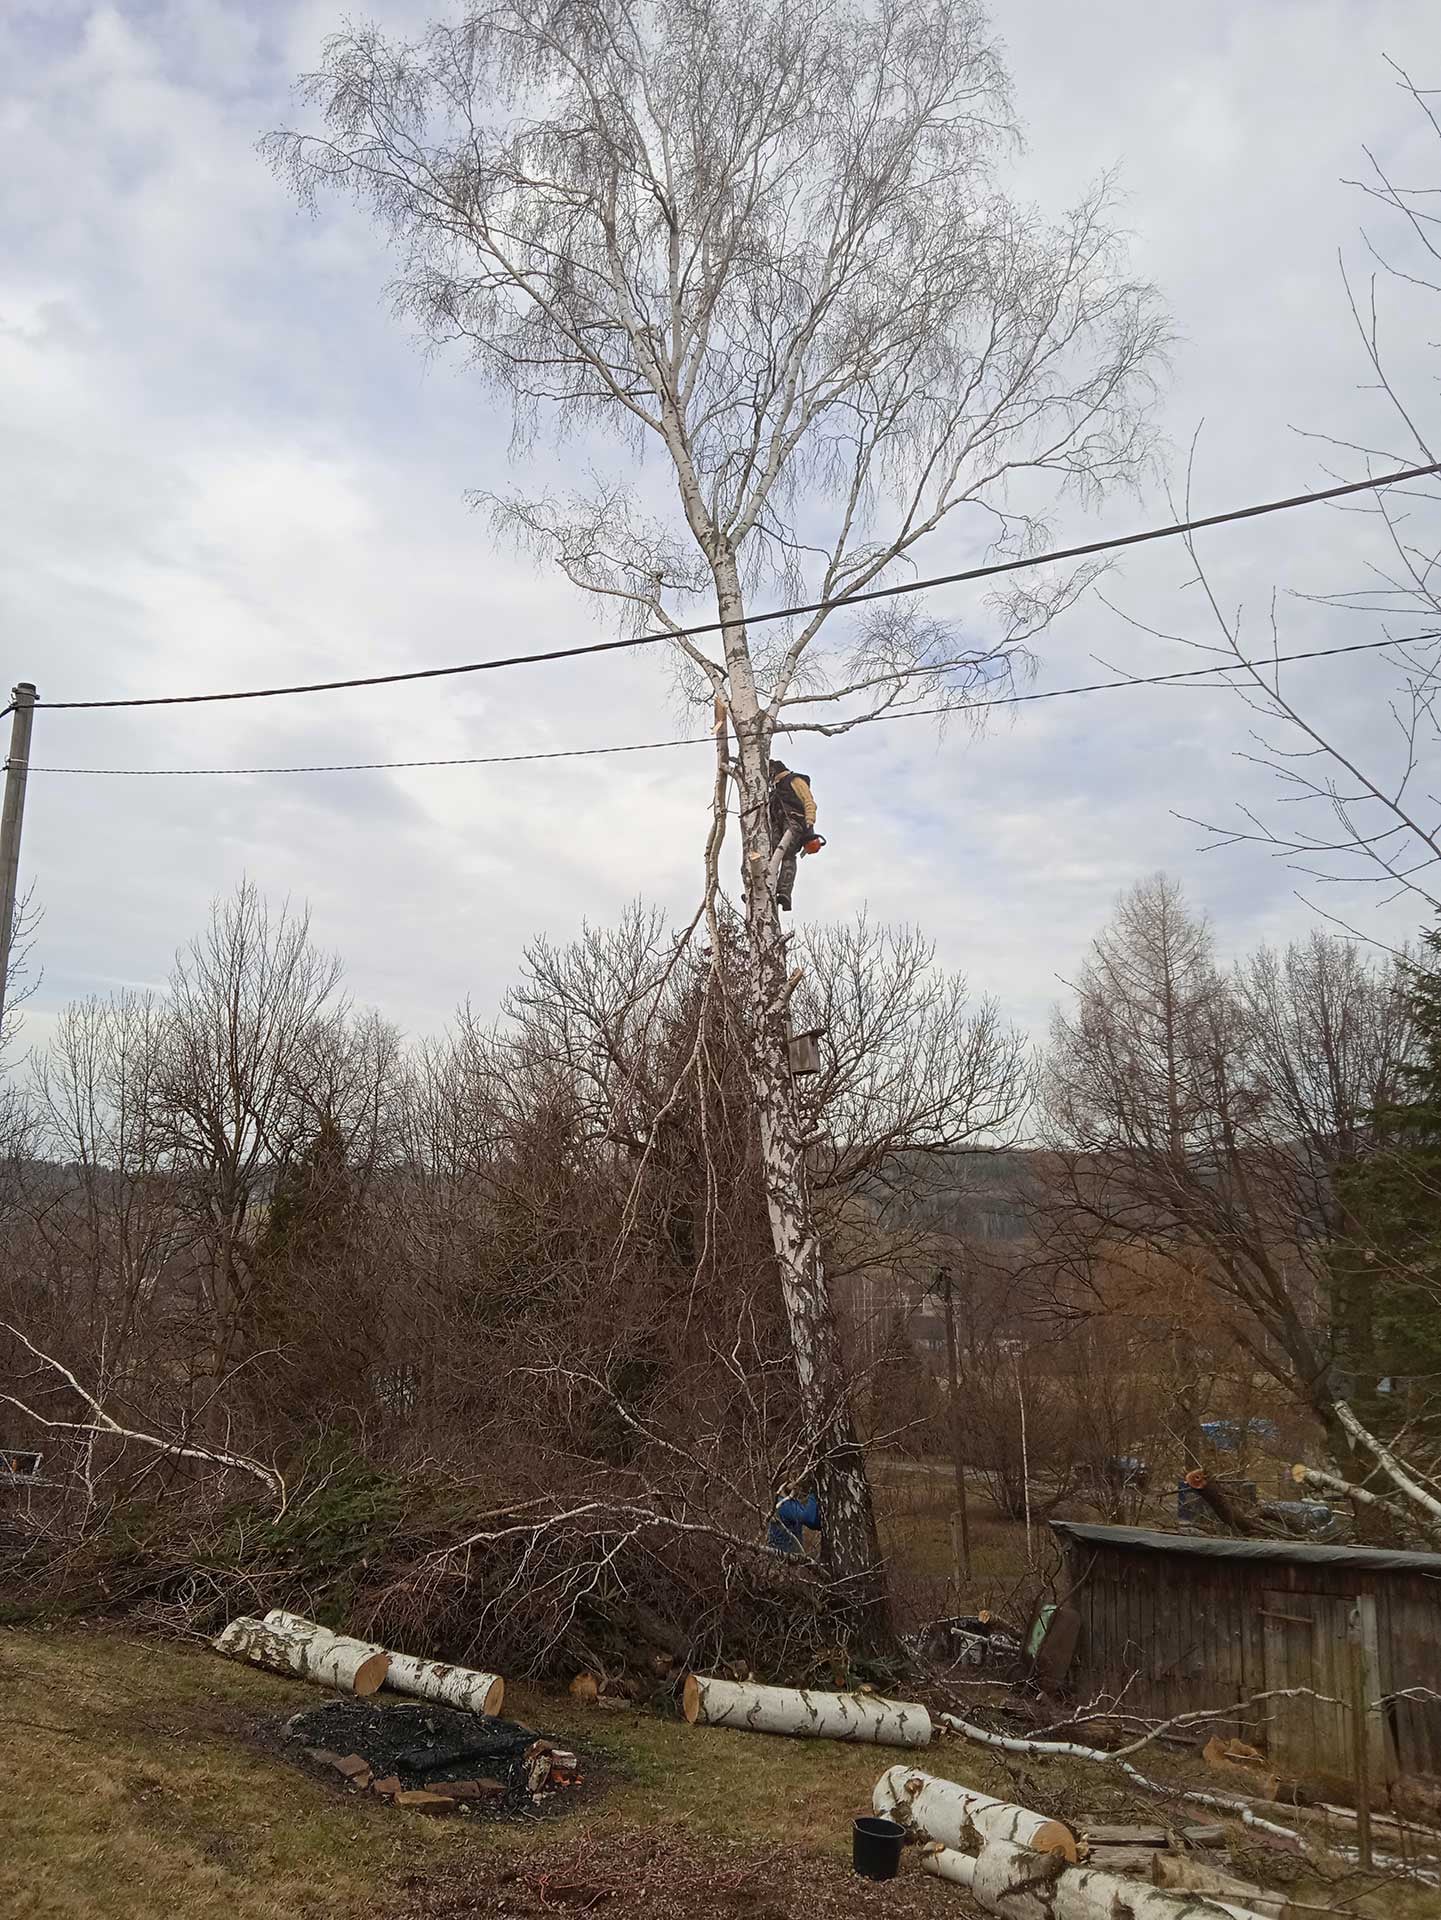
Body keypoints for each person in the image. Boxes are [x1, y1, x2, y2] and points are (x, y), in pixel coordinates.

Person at [767, 759, 818, 912]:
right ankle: (764, 889)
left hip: (794, 821)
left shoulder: (794, 780)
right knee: (768, 852)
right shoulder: (773, 791)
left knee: (787, 853)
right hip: (777, 824)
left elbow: (808, 800)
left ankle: (784, 892)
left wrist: (809, 820)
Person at [767, 1485, 821, 1555]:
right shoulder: (783, 1504)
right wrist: (814, 1493)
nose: (797, 1485)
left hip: (790, 1556)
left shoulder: (791, 1502)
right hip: (784, 1558)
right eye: (791, 1481)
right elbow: (808, 1519)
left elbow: (813, 1524)